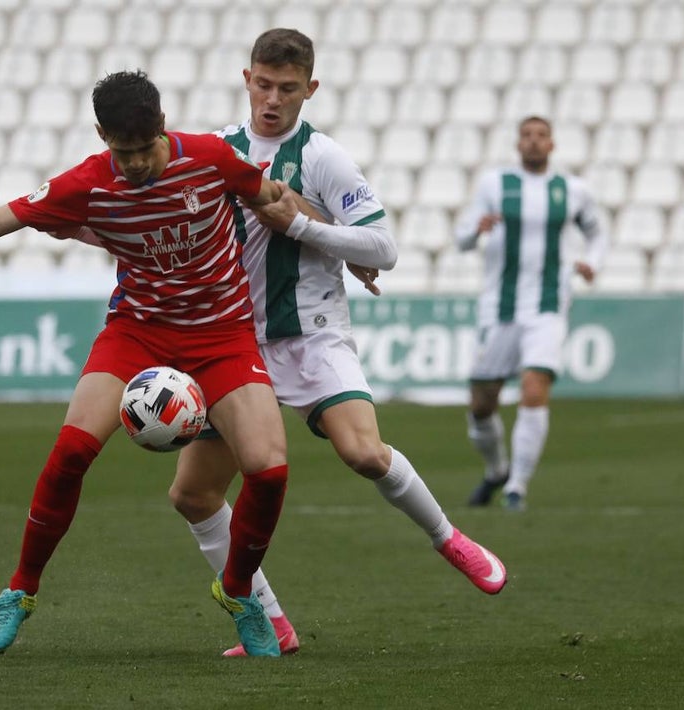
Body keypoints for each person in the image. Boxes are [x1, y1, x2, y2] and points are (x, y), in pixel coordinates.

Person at [0, 70, 294, 656]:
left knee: (270, 469)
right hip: (139, 333)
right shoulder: (87, 182)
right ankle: (20, 590)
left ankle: (237, 591)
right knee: (73, 448)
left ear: (161, 126)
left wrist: (338, 243)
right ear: (102, 135)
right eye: (119, 151)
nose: (131, 164)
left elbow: (272, 201)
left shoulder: (210, 158)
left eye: (141, 150)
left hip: (222, 334)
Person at [167, 28, 509, 656]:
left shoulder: (322, 157)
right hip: (235, 343)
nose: (272, 99)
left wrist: (301, 221)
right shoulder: (215, 152)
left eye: (287, 89)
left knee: (365, 453)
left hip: (312, 334)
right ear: (246, 79)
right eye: (263, 85)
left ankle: (449, 538)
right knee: (193, 494)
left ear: (311, 89)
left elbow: (383, 247)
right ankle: (269, 621)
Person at [454, 116, 607, 512]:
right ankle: (497, 470)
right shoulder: (495, 184)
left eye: (541, 136)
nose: (534, 142)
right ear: (518, 143)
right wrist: (477, 229)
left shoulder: (572, 190)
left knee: (534, 387)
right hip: (499, 308)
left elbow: (597, 232)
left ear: (552, 144)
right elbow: (462, 238)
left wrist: (592, 261)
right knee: (482, 403)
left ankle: (517, 487)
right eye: (527, 136)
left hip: (548, 306)